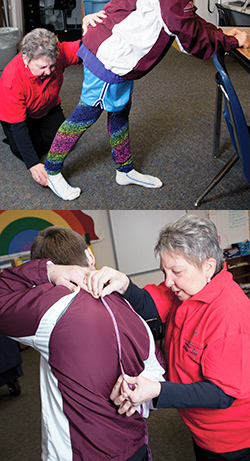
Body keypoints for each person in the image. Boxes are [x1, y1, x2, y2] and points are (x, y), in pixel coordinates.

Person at [81, 214, 250, 461]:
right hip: (199, 428)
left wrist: (157, 391)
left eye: (176, 272)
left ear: (208, 266)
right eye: (164, 272)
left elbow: (222, 394)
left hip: (229, 441)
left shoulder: (230, 315)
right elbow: (149, 304)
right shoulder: (188, 289)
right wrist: (124, 283)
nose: (168, 282)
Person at [43, 0, 250, 200]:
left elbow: (187, 15)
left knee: (120, 112)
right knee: (85, 115)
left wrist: (220, 34)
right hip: (110, 57)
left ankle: (124, 170)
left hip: (121, 51)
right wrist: (230, 41)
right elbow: (186, 32)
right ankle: (51, 171)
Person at [0, 225, 166, 460]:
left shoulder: (50, 307)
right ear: (90, 255)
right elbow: (156, 369)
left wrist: (46, 272)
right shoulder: (128, 305)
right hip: (134, 444)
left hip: (82, 453)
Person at [0, 27, 84, 192]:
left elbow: (88, 48)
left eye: (52, 66)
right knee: (33, 151)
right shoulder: (11, 79)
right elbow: (19, 127)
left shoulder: (58, 53)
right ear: (25, 58)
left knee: (64, 143)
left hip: (48, 108)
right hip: (18, 119)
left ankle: (39, 132)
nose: (49, 72)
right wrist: (33, 165)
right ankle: (13, 138)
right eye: (42, 67)